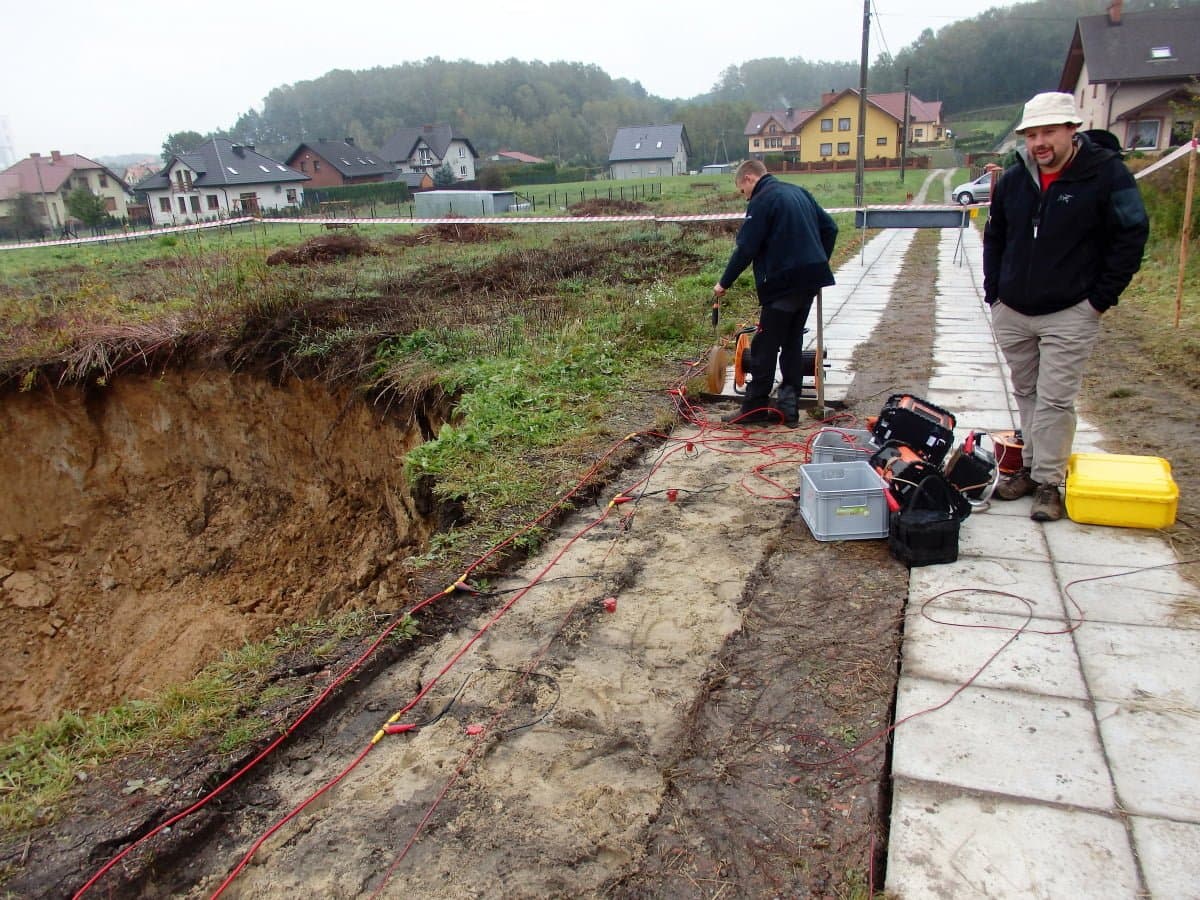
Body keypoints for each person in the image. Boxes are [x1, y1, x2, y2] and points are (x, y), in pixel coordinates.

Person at [983, 92, 1149, 521]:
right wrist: (994, 291)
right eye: (1032, 134)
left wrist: (1100, 299)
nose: (1040, 142)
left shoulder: (1106, 175)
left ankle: (1049, 485)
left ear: (1072, 130)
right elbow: (996, 234)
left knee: (1055, 399)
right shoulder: (1017, 180)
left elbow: (1131, 235)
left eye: (1049, 132)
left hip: (1071, 310)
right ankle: (1030, 469)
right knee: (1026, 392)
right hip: (1013, 308)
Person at [713, 159, 838, 426]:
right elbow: (831, 229)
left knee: (764, 346)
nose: (744, 196)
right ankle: (788, 410)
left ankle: (754, 409)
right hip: (809, 280)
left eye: (741, 190)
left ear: (749, 179)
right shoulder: (798, 192)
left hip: (782, 283)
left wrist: (724, 283)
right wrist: (817, 261)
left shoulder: (762, 200)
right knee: (792, 341)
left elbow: (746, 248)